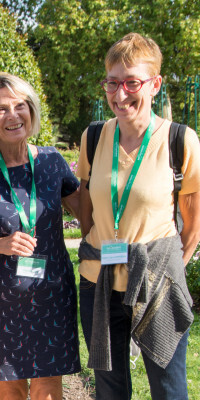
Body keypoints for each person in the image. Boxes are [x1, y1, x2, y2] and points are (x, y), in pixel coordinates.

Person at [77, 33, 200, 400]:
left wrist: (167, 269)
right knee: (110, 390)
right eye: (112, 83)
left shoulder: (180, 140)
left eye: (132, 83)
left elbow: (192, 227)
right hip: (98, 282)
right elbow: (87, 208)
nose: (120, 94)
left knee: (168, 389)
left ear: (155, 84)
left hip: (157, 282)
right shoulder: (94, 137)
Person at [0, 72, 81, 400]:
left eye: (20, 106)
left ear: (31, 111)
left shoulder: (52, 162)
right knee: (10, 389)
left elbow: (91, 218)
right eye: (1, 109)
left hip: (52, 297)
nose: (13, 115)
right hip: (1, 303)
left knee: (49, 389)